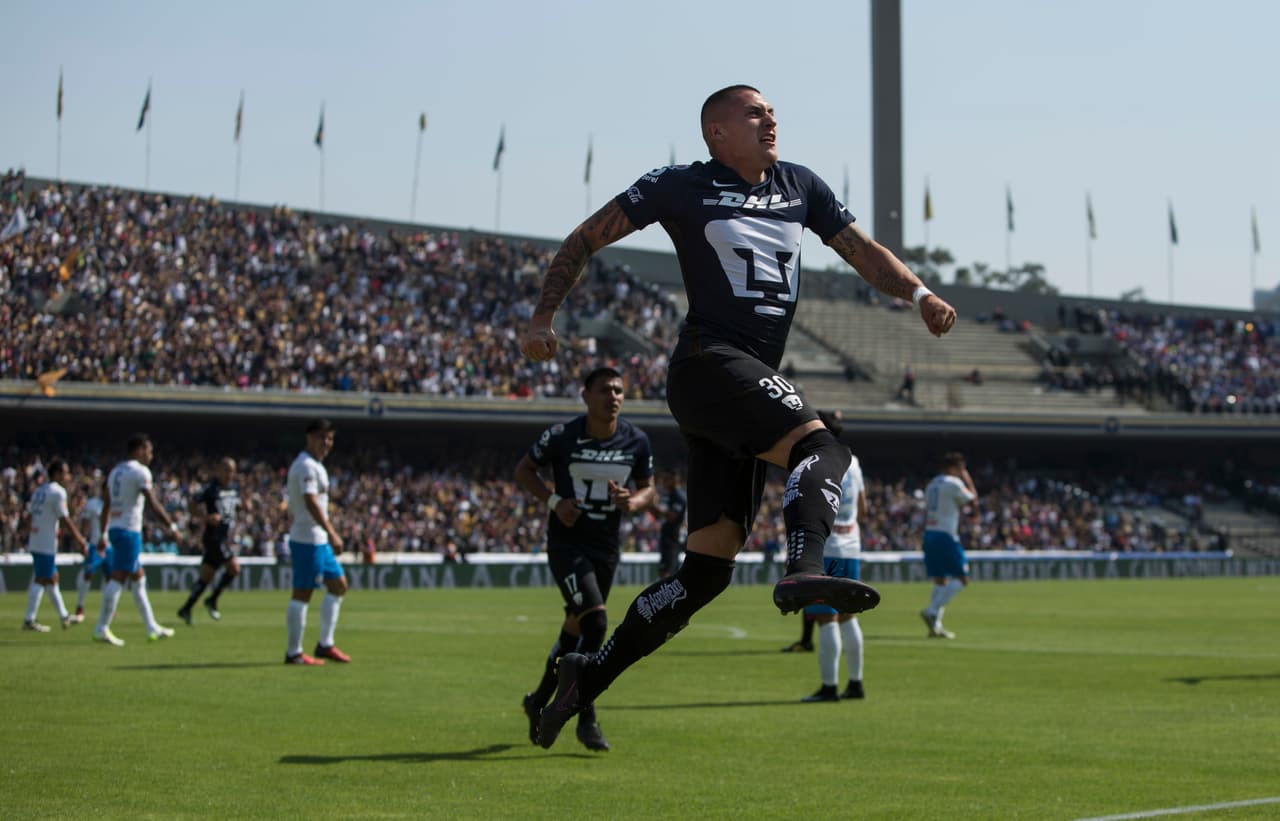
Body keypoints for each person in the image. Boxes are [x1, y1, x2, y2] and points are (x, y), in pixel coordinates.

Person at [519, 84, 957, 748]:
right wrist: (544, 313)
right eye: (756, 113)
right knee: (825, 448)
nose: (772, 119)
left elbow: (863, 252)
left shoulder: (800, 186)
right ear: (717, 132)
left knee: (705, 572)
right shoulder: (677, 185)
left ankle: (588, 677)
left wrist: (919, 292)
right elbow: (586, 238)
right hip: (707, 363)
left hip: (742, 385)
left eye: (773, 112)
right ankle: (804, 567)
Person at [515, 367, 655, 752]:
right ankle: (585, 715)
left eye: (619, 390)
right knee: (596, 622)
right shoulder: (562, 436)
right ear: (585, 395)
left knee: (575, 630)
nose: (614, 397)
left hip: (606, 548)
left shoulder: (636, 441)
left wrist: (633, 501)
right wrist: (555, 501)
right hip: (567, 546)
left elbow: (649, 491)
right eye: (605, 390)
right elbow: (524, 470)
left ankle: (537, 699)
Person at [800, 412, 867, 702]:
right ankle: (856, 684)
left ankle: (829, 687)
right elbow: (863, 508)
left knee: (827, 618)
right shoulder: (854, 462)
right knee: (849, 615)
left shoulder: (817, 462)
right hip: (851, 542)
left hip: (828, 547)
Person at [93, 433, 182, 646]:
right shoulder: (140, 472)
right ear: (139, 449)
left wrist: (103, 534)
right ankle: (101, 628)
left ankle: (152, 626)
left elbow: (106, 505)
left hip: (116, 529)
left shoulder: (115, 471)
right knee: (118, 578)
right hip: (128, 530)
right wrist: (171, 526)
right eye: (149, 451)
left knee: (138, 578)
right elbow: (152, 502)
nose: (151, 455)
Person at [284, 419, 350, 666]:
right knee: (302, 594)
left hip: (318, 540)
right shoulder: (305, 466)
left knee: (339, 585)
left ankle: (325, 644)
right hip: (306, 538)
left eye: (330, 438)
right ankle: (293, 653)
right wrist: (332, 532)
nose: (327, 443)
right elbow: (310, 502)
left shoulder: (316, 466)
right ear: (309, 437)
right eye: (323, 437)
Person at [178, 457, 245, 625]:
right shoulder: (210, 489)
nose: (230, 474)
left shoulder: (233, 489)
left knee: (206, 577)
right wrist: (206, 517)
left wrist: (241, 507)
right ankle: (212, 600)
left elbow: (233, 506)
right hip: (213, 537)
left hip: (223, 537)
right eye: (226, 470)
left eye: (232, 471)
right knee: (234, 568)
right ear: (218, 471)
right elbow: (191, 506)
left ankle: (186, 608)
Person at [23, 459, 87, 632]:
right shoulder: (57, 492)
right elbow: (65, 519)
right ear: (57, 474)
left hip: (36, 539)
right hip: (45, 542)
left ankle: (64, 616)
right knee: (42, 578)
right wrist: (80, 540)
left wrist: (27, 532)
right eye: (65, 472)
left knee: (52, 578)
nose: (67, 476)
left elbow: (29, 517)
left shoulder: (39, 491)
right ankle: (29, 619)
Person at [920, 452, 979, 639]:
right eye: (961, 469)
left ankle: (935, 627)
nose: (962, 472)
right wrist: (968, 480)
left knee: (941, 581)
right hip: (945, 535)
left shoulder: (932, 484)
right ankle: (931, 610)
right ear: (953, 468)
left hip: (929, 533)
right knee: (963, 578)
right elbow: (973, 500)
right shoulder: (954, 483)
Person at [72, 479, 108, 623]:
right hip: (95, 544)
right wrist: (83, 542)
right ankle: (80, 606)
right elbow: (85, 524)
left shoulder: (117, 504)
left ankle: (108, 607)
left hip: (110, 547)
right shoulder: (93, 504)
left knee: (113, 578)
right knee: (88, 574)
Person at [652, 471, 687, 578]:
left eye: (666, 479)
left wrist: (653, 507)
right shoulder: (670, 495)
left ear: (674, 480)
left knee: (667, 570)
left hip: (673, 537)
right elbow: (660, 515)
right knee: (667, 568)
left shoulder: (679, 496)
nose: (663, 482)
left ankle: (666, 592)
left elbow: (672, 516)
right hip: (668, 536)